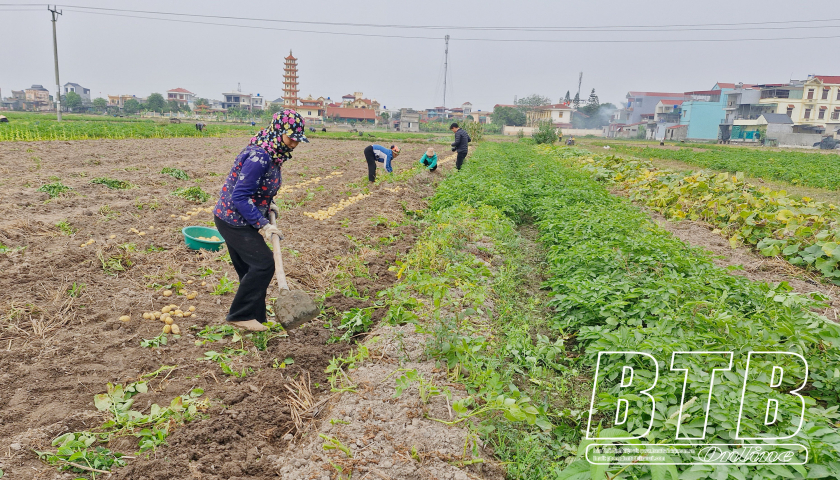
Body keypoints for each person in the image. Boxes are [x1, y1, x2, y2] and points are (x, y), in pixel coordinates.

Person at [213, 109, 309, 332]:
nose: (294, 143)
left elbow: (260, 186)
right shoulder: (260, 156)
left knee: (249, 269)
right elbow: (239, 196)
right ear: (278, 131)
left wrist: (267, 203)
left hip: (239, 217)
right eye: (291, 137)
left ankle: (255, 318)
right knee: (264, 263)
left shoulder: (274, 152)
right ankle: (240, 315)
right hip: (233, 220)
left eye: (298, 139)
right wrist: (263, 224)